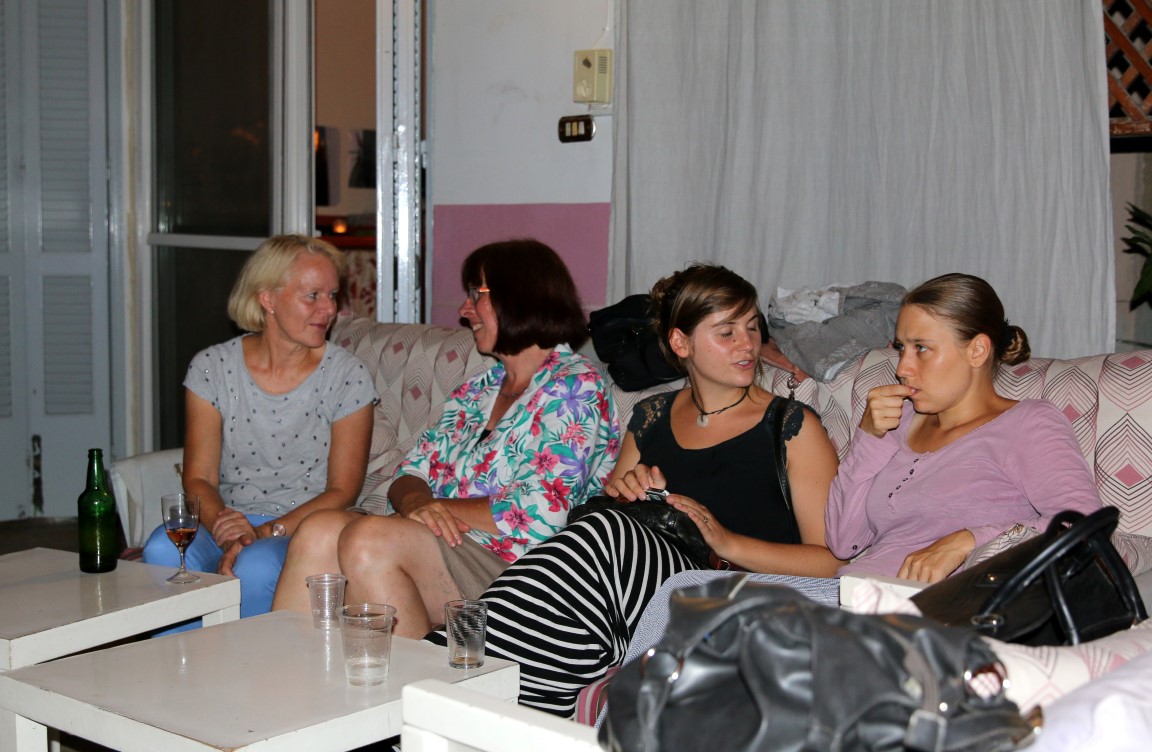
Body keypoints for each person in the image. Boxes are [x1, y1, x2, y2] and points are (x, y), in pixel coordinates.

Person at [433, 263, 843, 717]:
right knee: (572, 589)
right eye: (727, 332)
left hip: (730, 590)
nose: (748, 344)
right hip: (634, 587)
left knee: (607, 536)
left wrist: (727, 542)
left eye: (751, 327)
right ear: (680, 343)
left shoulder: (790, 426)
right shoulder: (650, 416)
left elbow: (832, 561)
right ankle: (486, 705)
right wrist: (626, 491)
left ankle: (445, 682)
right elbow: (606, 514)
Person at [272, 238, 620, 637]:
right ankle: (289, 668)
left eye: (476, 295)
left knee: (368, 539)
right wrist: (416, 501)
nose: (464, 310)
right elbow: (409, 473)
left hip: (521, 568)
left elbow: (540, 512)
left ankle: (413, 676)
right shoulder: (478, 390)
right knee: (318, 530)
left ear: (520, 294)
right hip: (444, 544)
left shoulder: (575, 387)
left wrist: (435, 508)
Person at [142, 235, 378, 620]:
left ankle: (244, 658)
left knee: (255, 566)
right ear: (267, 298)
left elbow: (342, 490)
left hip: (299, 530)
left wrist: (265, 532)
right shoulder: (212, 368)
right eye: (313, 295)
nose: (329, 309)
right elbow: (199, 478)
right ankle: (178, 657)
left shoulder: (347, 376)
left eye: (333, 295)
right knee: (162, 551)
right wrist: (228, 530)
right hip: (224, 519)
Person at [825, 272, 1103, 583]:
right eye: (902, 348)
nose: (902, 368)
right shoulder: (897, 421)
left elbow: (1083, 528)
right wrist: (869, 437)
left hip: (940, 604)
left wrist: (968, 540)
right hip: (851, 592)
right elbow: (842, 541)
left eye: (921, 348)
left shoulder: (1028, 424)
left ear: (977, 351)